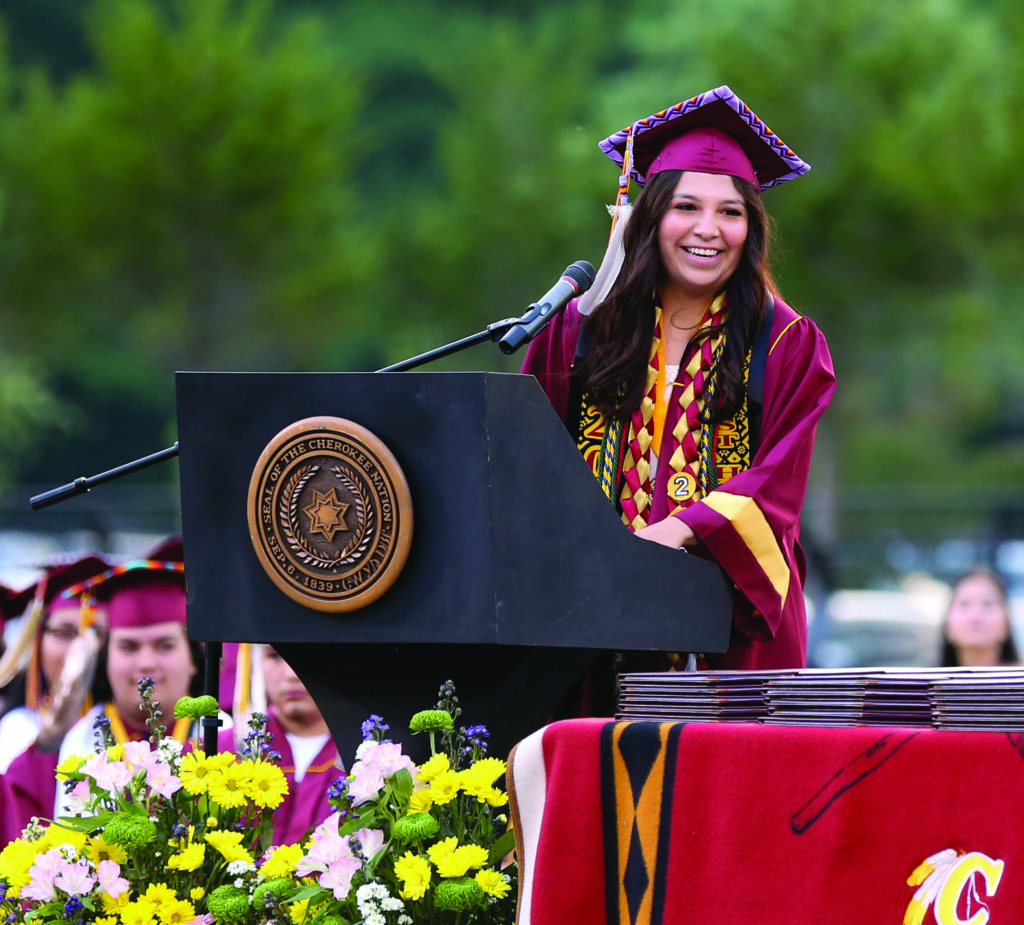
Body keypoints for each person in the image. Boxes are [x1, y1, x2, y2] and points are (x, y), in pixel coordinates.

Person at [522, 86, 836, 679]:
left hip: (731, 630)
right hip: (588, 621)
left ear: (752, 228)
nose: (708, 229)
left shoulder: (786, 341)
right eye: (686, 207)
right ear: (649, 215)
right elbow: (529, 456)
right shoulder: (578, 326)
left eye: (731, 211)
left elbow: (778, 482)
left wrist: (677, 531)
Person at [221, 644, 342, 845]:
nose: (291, 674)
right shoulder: (219, 753)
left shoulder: (370, 761)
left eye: (310, 656)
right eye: (275, 656)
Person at [0, 554, 110, 773]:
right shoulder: (15, 729)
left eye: (95, 633)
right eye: (65, 632)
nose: (80, 649)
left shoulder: (137, 733)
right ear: (39, 641)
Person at [940, 567, 1020, 667]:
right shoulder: (925, 681)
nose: (975, 616)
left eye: (987, 604)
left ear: (1007, 621)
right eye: (964, 604)